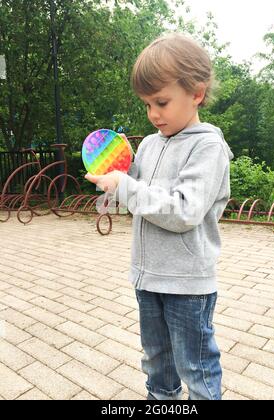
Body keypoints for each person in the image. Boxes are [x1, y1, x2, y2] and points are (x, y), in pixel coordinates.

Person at [85, 33, 234, 400]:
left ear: (196, 93)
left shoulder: (207, 146)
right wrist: (115, 172)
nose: (153, 114)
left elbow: (183, 210)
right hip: (147, 277)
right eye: (147, 104)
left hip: (187, 285)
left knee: (195, 367)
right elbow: (137, 193)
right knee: (157, 363)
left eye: (162, 102)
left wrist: (126, 185)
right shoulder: (151, 144)